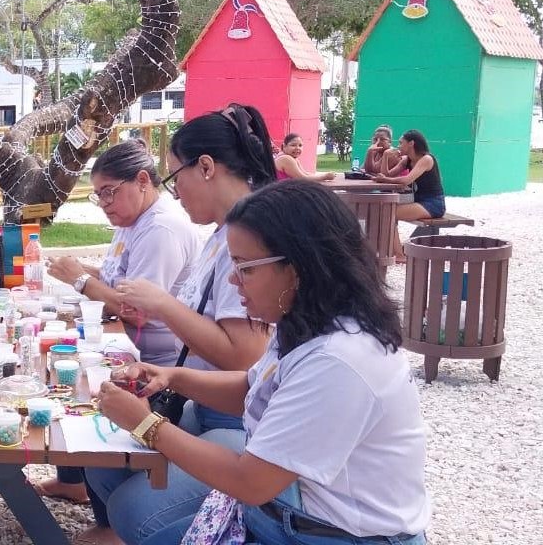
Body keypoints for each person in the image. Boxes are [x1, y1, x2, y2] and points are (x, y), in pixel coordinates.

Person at [97, 179, 429, 545]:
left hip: (332, 535)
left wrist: (146, 424)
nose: (232, 278)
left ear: (300, 267)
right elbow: (252, 386)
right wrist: (170, 376)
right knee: (139, 521)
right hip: (285, 514)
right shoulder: (307, 322)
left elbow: (250, 482)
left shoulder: (340, 361)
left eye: (245, 267)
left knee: (147, 529)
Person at [82, 104, 276, 545]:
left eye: (175, 177)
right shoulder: (220, 233)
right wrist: (170, 376)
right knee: (104, 456)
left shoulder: (245, 239)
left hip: (236, 422)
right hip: (205, 401)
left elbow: (245, 358)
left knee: (134, 505)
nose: (176, 191)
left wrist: (164, 306)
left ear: (205, 167)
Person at [40, 139, 202, 510]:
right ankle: (76, 481)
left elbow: (137, 311)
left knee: (80, 384)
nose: (105, 204)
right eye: (98, 196)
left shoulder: (161, 229)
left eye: (109, 193)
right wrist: (83, 273)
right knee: (62, 366)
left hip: (156, 357)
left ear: (143, 180)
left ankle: (110, 516)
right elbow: (119, 278)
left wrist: (81, 280)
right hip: (130, 342)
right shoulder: (134, 221)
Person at [372, 129, 446, 263]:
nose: (398, 146)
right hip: (418, 202)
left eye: (401, 143)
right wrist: (386, 157)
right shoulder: (407, 160)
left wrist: (384, 179)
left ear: (411, 143)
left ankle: (399, 255)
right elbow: (387, 175)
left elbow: (406, 180)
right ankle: (395, 250)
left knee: (388, 213)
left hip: (433, 204)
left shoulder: (426, 159)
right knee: (385, 210)